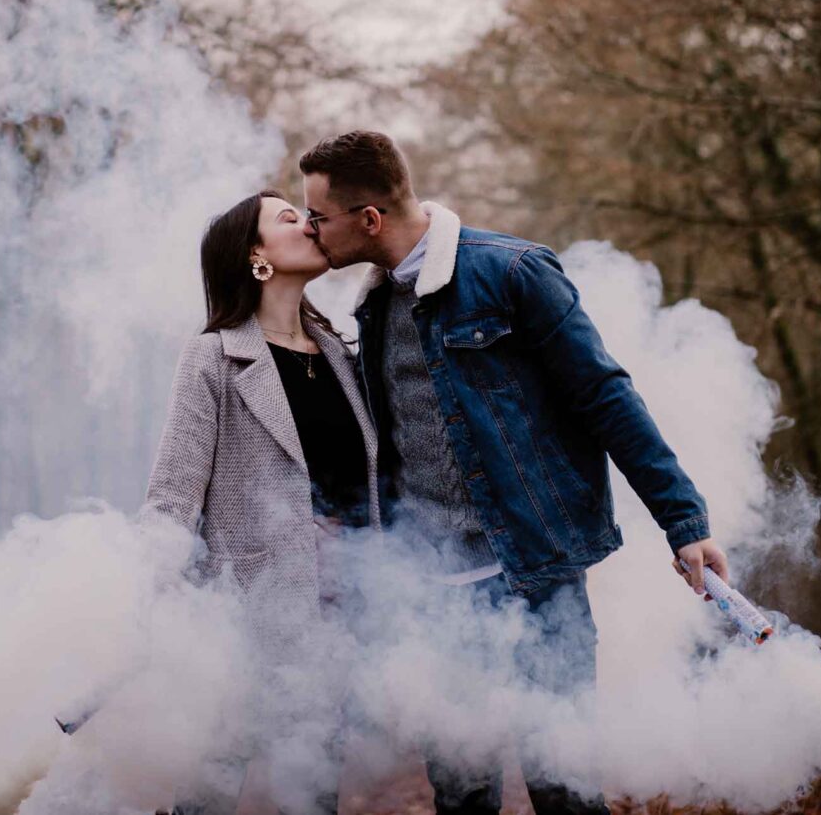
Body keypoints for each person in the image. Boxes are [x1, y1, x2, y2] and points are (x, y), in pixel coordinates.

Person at [298, 131, 729, 815]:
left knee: (562, 785)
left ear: (369, 219)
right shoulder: (373, 308)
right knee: (459, 792)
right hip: (432, 593)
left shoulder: (513, 272)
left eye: (318, 217)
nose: (311, 231)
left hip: (534, 576)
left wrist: (685, 523)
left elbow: (606, 397)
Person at [142, 190, 382, 815]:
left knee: (315, 789)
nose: (308, 222)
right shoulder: (213, 356)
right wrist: (151, 605)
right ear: (256, 257)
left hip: (335, 613)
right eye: (287, 218)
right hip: (241, 616)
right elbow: (172, 497)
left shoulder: (341, 352)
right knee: (210, 790)